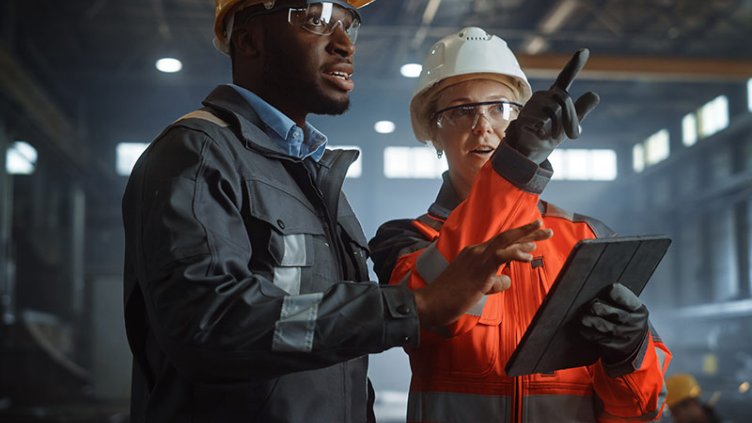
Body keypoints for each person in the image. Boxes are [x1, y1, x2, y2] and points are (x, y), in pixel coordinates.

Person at [121, 3, 552, 422]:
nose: (346, 44)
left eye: (349, 23)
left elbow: (324, 344)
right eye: (317, 20)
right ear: (249, 40)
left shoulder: (308, 176)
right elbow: (208, 326)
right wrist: (413, 306)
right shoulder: (198, 154)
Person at [369, 26, 673, 422]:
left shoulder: (589, 238)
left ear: (521, 118)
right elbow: (435, 315)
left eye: (499, 108)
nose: (483, 126)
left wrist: (629, 353)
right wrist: (515, 165)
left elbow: (639, 410)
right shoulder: (406, 239)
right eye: (461, 110)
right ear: (433, 133)